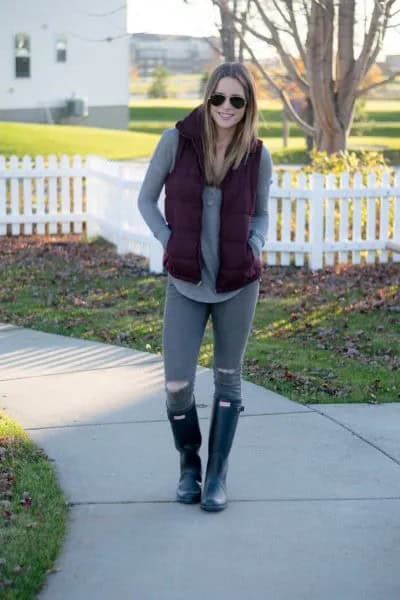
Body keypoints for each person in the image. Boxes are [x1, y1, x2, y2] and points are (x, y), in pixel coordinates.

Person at [138, 62, 273, 512]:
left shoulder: (257, 154)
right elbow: (146, 199)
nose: (227, 108)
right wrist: (166, 238)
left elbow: (262, 213)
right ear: (207, 97)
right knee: (177, 381)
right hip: (186, 281)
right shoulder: (176, 141)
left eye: (237, 100)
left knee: (228, 379)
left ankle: (217, 474)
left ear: (247, 104)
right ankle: (189, 465)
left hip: (238, 283)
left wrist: (255, 243)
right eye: (219, 98)